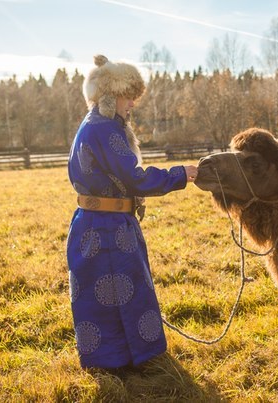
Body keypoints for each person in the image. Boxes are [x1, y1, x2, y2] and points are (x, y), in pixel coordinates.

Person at [66, 55, 197, 370]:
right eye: (129, 97)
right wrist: (183, 173)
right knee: (120, 296)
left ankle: (116, 360)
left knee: (106, 298)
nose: (132, 104)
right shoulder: (105, 129)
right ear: (110, 95)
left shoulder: (95, 124)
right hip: (108, 231)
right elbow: (135, 177)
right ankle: (126, 363)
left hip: (96, 225)